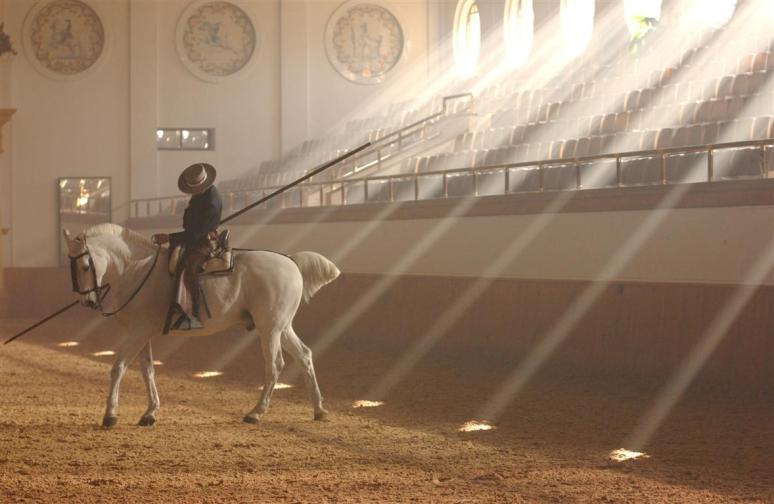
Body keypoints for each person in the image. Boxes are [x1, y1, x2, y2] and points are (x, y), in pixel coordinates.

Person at [153, 163, 222, 331]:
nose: (192, 192)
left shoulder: (212, 202)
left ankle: (193, 315)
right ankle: (176, 301)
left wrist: (169, 237)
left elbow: (195, 234)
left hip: (203, 241)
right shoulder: (199, 196)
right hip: (194, 237)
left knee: (189, 265)